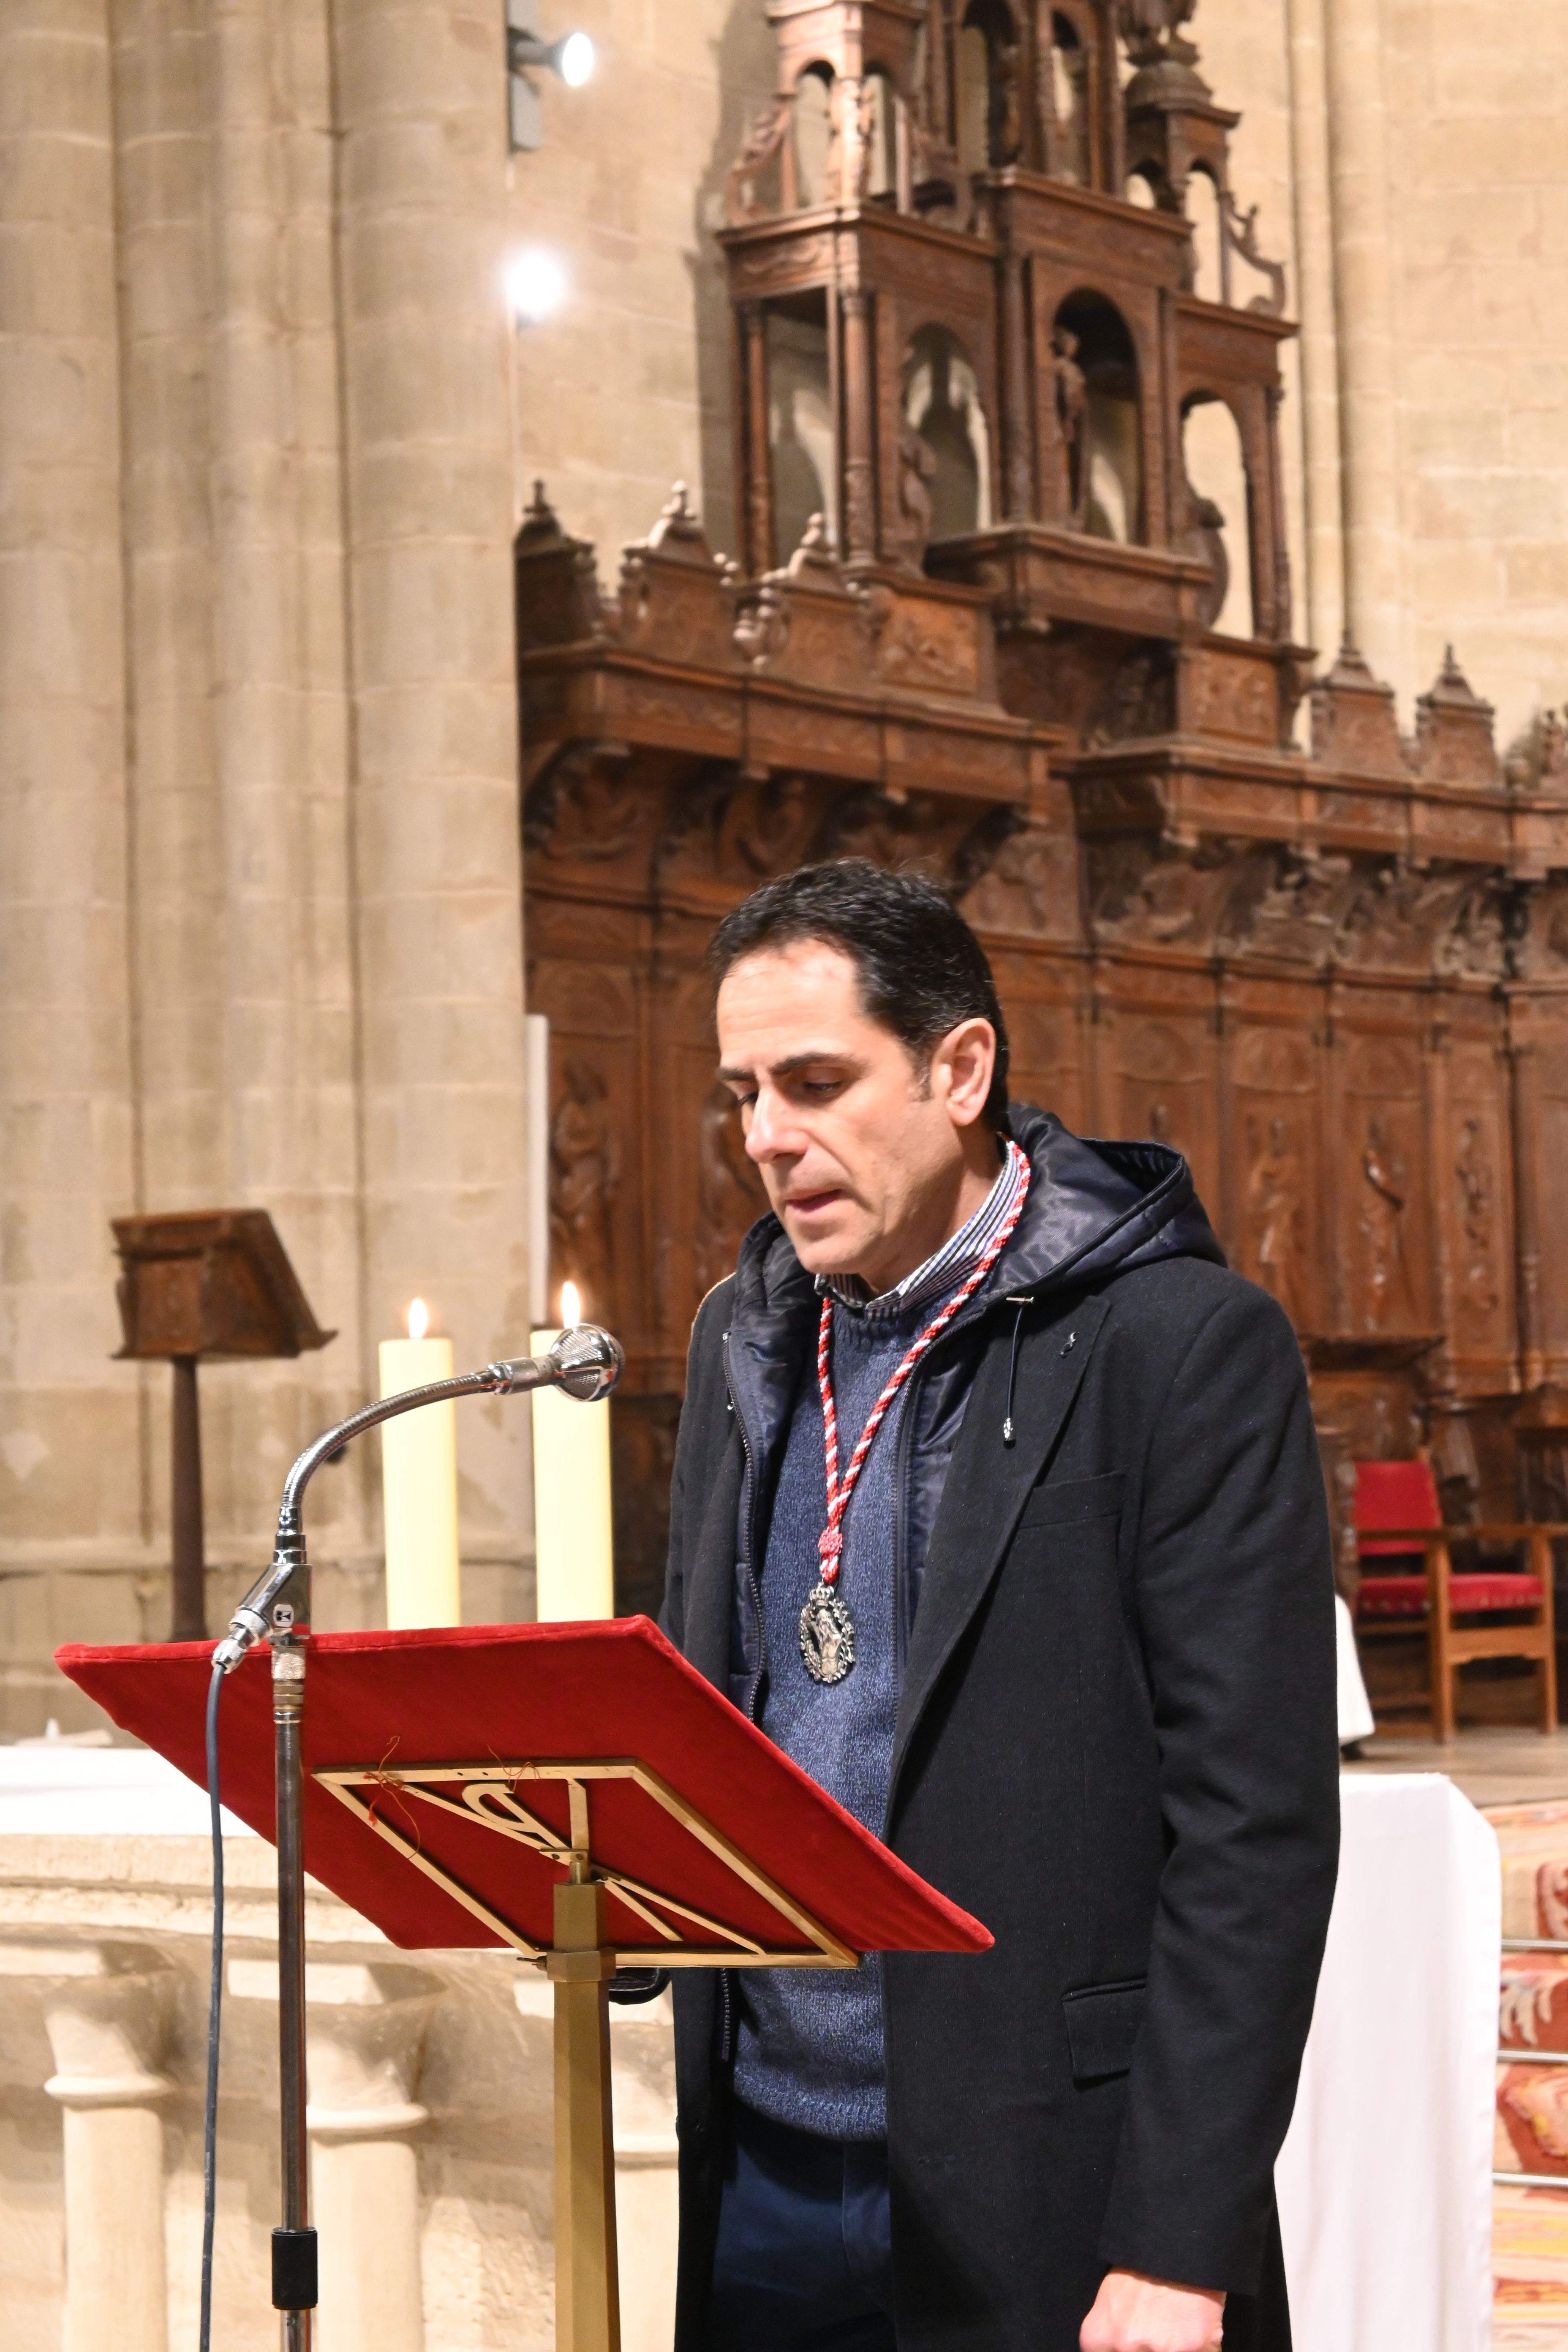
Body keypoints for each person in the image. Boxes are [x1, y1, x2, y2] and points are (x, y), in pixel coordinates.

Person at [654, 860, 1339, 2352]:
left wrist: (1181, 2241)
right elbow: (718, 1709)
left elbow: (1255, 1830)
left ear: (961, 1067)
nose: (768, 1139)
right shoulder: (745, 1336)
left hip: (1054, 2180)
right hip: (766, 2160)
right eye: (744, 1092)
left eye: (818, 1082)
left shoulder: (1177, 1343)